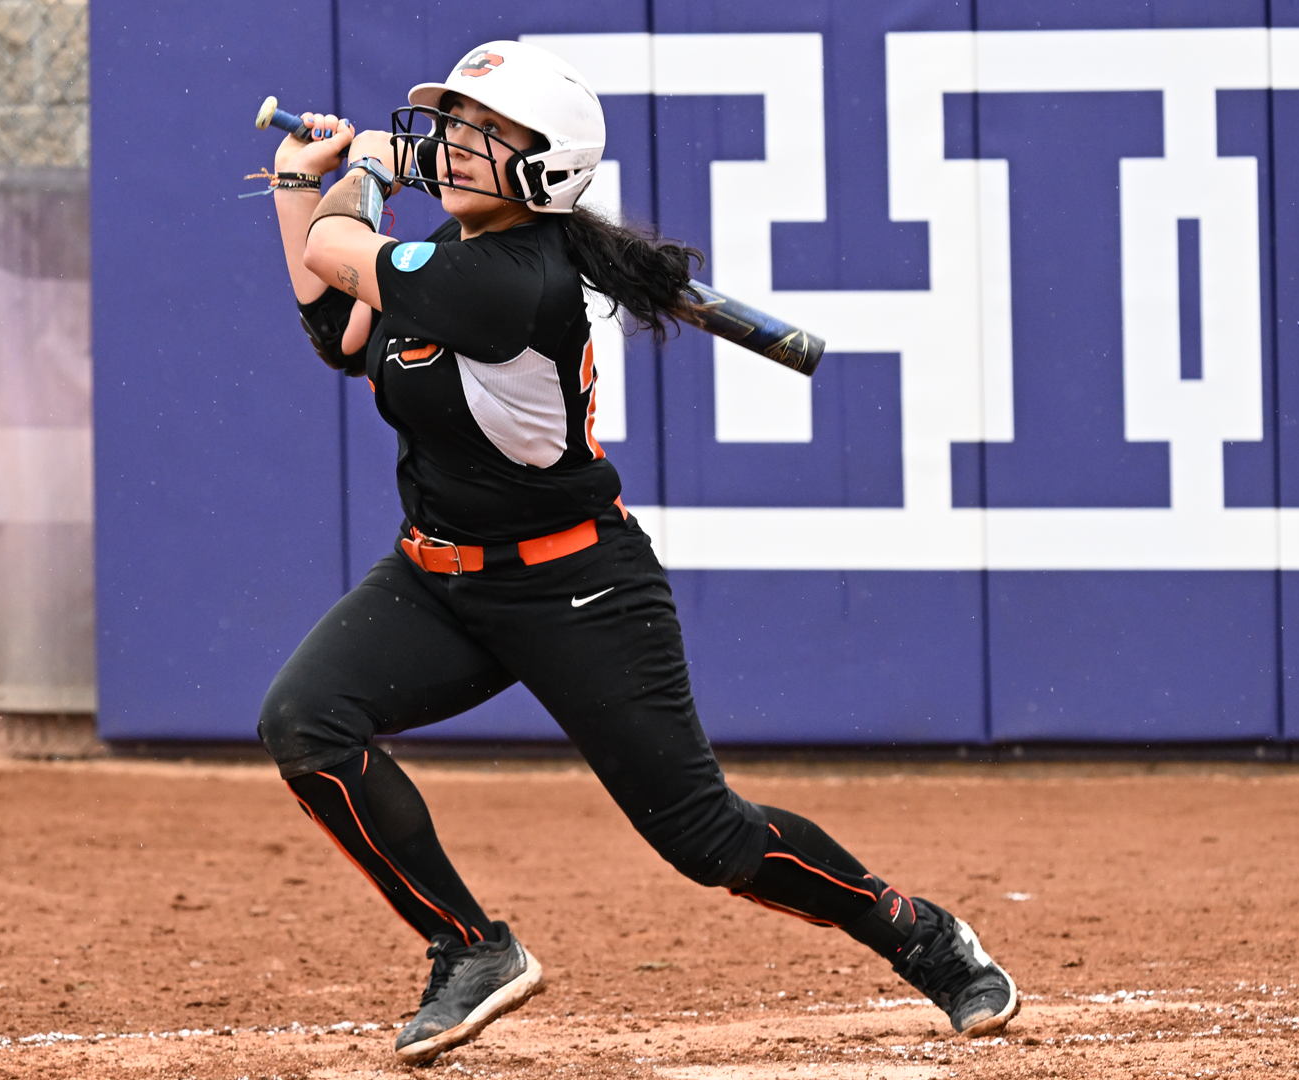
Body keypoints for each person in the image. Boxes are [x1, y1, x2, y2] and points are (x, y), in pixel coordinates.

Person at [256, 40, 1019, 1066]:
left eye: (490, 133)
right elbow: (333, 328)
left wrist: (368, 173)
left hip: (577, 587)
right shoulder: (440, 262)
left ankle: (920, 935)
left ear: (548, 167)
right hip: (436, 579)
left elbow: (339, 250)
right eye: (458, 126)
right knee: (306, 722)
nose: (458, 143)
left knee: (708, 840)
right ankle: (470, 948)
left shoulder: (508, 280)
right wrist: (304, 181)